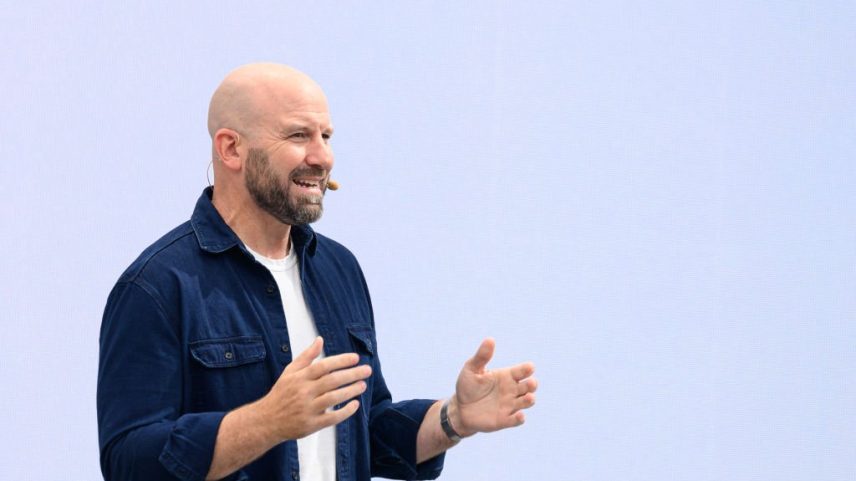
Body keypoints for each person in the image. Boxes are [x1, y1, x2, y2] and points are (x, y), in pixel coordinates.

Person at [97, 63, 538, 481]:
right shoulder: (156, 285)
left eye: (325, 135)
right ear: (231, 148)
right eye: (298, 135)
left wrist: (453, 418)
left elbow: (365, 427)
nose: (322, 156)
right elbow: (129, 462)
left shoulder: (338, 269)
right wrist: (266, 422)